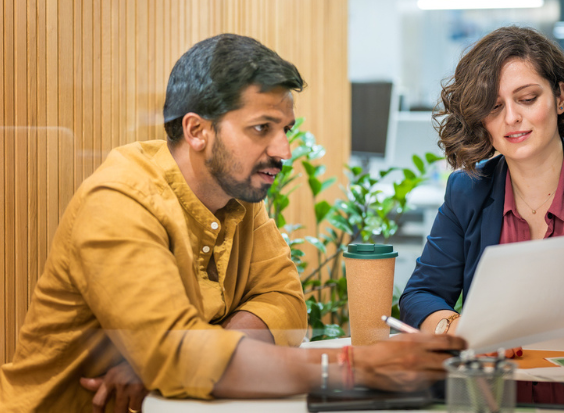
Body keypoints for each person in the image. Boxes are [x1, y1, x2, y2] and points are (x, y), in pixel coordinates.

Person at [0, 34, 465, 412]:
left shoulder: (238, 195)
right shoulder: (120, 202)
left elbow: (286, 304)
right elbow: (178, 356)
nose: (284, 150)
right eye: (263, 128)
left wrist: (191, 353)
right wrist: (354, 367)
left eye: (287, 129)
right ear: (197, 131)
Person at [400, 25, 564, 361]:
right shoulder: (467, 190)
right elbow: (421, 295)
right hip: (498, 390)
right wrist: (455, 327)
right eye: (494, 107)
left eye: (527, 99)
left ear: (560, 97)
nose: (511, 118)